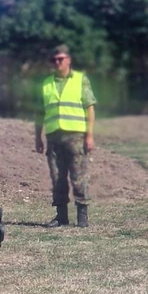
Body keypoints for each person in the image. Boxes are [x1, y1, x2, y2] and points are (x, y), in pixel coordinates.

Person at [33, 45, 97, 228]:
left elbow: (89, 108)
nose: (57, 63)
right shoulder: (45, 83)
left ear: (68, 60)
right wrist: (38, 137)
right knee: (57, 177)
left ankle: (82, 216)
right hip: (53, 137)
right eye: (54, 60)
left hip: (75, 136)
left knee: (79, 176)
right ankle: (61, 216)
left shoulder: (80, 80)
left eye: (61, 59)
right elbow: (39, 113)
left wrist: (89, 135)